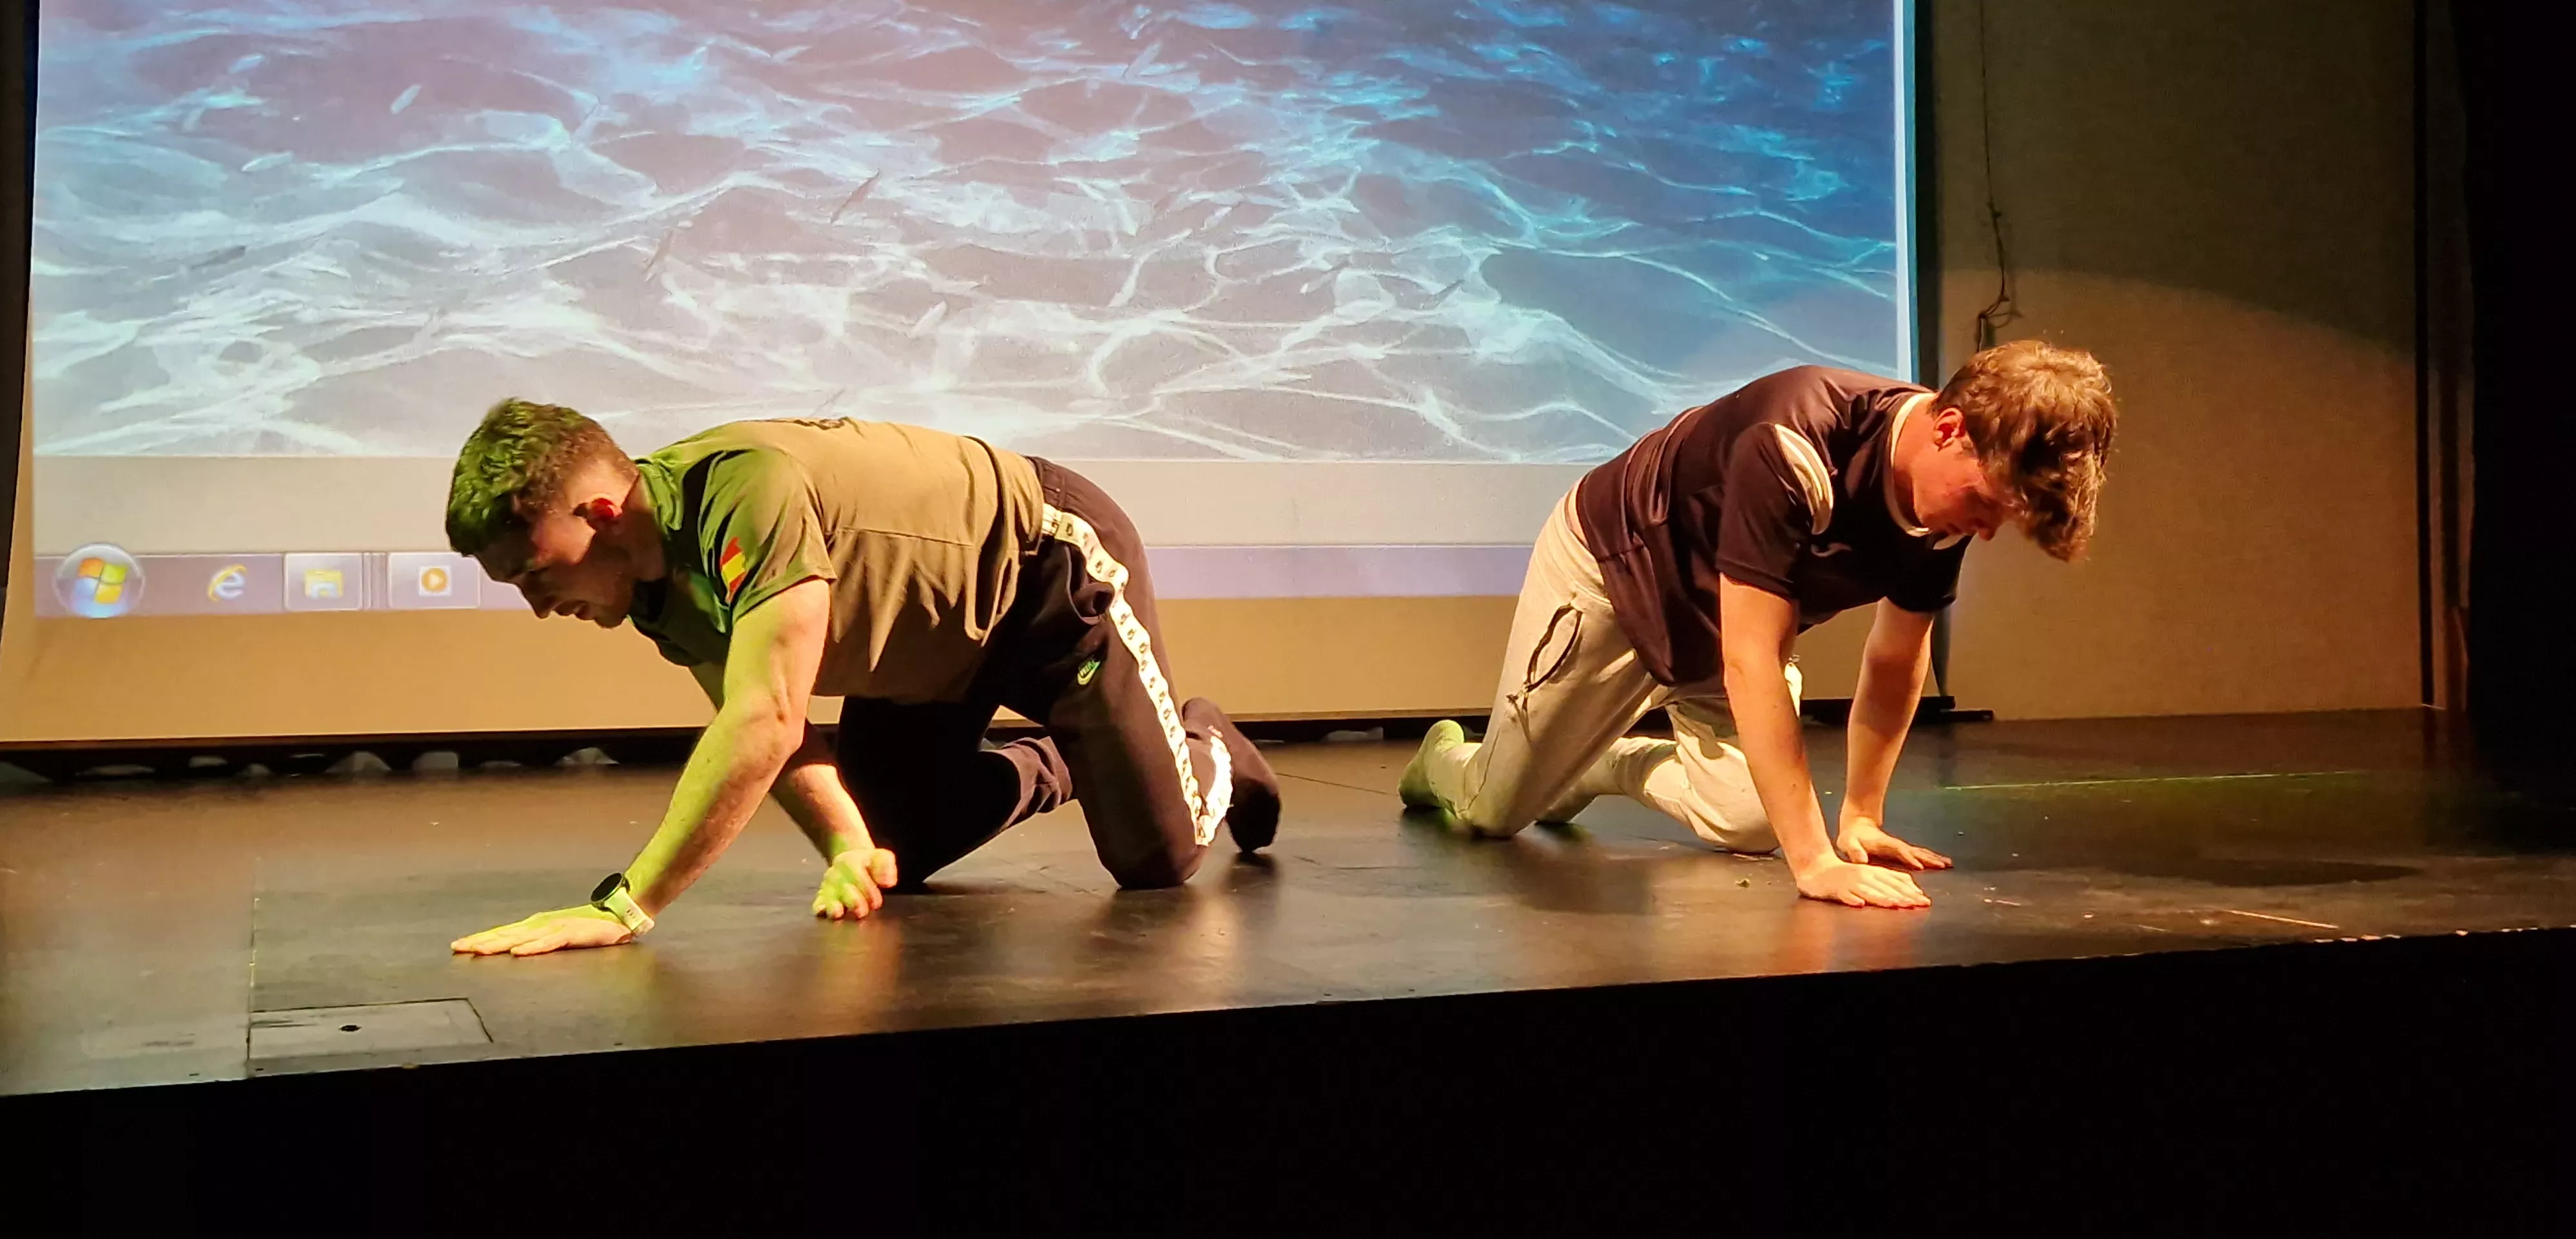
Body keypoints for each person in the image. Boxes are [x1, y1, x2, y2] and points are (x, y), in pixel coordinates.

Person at [443, 405, 1281, 957]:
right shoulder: (656, 591)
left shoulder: (743, 489)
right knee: (891, 850)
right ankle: (1078, 754)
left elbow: (763, 722)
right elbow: (776, 731)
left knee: (1157, 860)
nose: (541, 609)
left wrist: (624, 905)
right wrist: (849, 848)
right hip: (931, 660)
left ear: (599, 516)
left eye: (534, 576)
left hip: (1047, 571)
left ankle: (1202, 739)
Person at [1401, 341, 2115, 909]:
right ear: (1949, 428)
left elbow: (1896, 658)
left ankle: (1601, 757)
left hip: (1732, 614)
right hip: (1615, 571)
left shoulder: (1947, 506)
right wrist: (1813, 862)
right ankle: (1445, 760)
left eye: (2006, 517)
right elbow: (1751, 659)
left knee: (1747, 820)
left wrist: (1858, 817)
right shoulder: (1795, 438)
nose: (1987, 530)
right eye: (1988, 502)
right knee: (1494, 812)